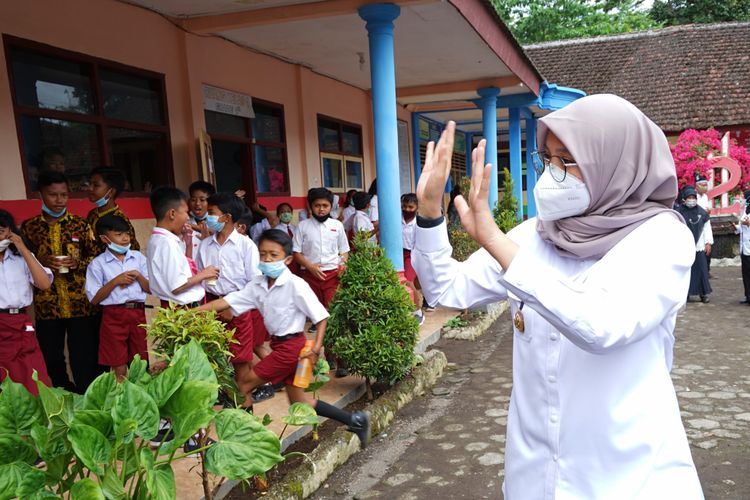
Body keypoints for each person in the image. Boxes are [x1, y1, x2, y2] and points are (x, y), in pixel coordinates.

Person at [412, 96, 703, 499]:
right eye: (548, 158)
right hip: (533, 477)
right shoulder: (537, 234)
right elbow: (447, 288)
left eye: (568, 160)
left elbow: (601, 324)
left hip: (628, 479)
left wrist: (496, 241)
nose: (553, 174)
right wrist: (429, 214)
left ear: (615, 164)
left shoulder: (661, 238)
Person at [198, 229, 370, 447]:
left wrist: (316, 348)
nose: (267, 259)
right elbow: (226, 302)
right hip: (281, 346)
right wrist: (190, 313)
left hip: (292, 348)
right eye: (263, 254)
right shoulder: (257, 284)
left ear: (288, 259)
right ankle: (355, 420)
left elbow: (321, 317)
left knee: (242, 385)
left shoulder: (295, 284)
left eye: (273, 255)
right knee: (300, 401)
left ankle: (246, 441)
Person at [21, 171, 102, 393]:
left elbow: (97, 257)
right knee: (52, 356)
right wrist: (41, 261)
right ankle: (64, 395)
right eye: (53, 195)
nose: (59, 200)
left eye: (64, 195)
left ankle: (88, 398)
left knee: (84, 356)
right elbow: (21, 262)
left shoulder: (80, 225)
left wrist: (79, 263)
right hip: (48, 305)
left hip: (81, 304)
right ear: (41, 195)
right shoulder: (29, 227)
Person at [196, 192, 274, 406]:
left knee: (241, 362)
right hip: (212, 307)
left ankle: (244, 412)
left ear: (226, 217)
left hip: (237, 309)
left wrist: (232, 306)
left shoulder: (245, 245)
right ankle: (227, 399)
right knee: (216, 360)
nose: (207, 217)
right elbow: (200, 278)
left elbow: (254, 282)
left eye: (212, 213)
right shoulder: (204, 246)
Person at [85, 215, 149, 382]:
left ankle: (141, 397)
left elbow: (150, 288)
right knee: (117, 362)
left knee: (140, 359)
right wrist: (114, 282)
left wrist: (139, 276)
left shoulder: (138, 257)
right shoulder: (98, 264)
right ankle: (121, 398)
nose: (125, 238)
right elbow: (94, 298)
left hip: (137, 313)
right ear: (105, 238)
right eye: (119, 234)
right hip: (113, 315)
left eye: (127, 233)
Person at [0, 209, 53, 394]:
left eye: (1, 231)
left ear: (10, 232)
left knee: (34, 376)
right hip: (1, 324)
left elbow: (44, 283)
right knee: (6, 381)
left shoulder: (20, 257)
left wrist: (22, 247)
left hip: (22, 322)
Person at [146, 186, 217, 309]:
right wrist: (204, 274)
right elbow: (177, 286)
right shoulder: (166, 243)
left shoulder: (161, 239)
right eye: (185, 212)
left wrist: (188, 244)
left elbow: (182, 271)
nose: (188, 217)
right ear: (172, 213)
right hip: (181, 309)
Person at [293, 188, 349, 310]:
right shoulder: (302, 226)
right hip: (310, 274)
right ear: (310, 206)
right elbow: (296, 252)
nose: (321, 209)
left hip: (333, 273)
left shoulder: (337, 225)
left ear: (331, 206)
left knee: (333, 308)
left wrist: (342, 266)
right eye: (317, 205)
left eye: (325, 205)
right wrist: (310, 267)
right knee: (315, 309)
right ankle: (317, 327)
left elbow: (344, 250)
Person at [86, 166, 140, 254]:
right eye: (90, 184)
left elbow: (132, 250)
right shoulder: (92, 214)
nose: (90, 188)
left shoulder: (120, 219)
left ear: (111, 192)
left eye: (96, 185)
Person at [676, 185, 713, 303]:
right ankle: (684, 294)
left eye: (693, 197)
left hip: (699, 246)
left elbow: (707, 228)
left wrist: (708, 242)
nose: (692, 200)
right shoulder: (678, 212)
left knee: (702, 269)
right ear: (684, 198)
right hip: (683, 247)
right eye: (689, 197)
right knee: (685, 271)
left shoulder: (702, 213)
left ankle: (703, 293)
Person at [401, 193, 424, 325]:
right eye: (404, 206)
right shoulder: (397, 219)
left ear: (416, 207)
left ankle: (418, 311)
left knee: (408, 281)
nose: (407, 210)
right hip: (399, 253)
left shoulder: (419, 222)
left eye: (410, 207)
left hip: (413, 254)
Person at [188, 181, 216, 259]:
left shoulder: (217, 222)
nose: (197, 203)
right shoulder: (185, 221)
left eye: (202, 200)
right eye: (193, 200)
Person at [695, 175, 713, 277]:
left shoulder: (705, 197)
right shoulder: (693, 197)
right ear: (697, 186)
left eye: (706, 185)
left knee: (708, 250)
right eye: (703, 185)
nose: (705, 187)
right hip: (697, 225)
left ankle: (707, 271)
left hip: (706, 224)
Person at [736, 189, 750, 305]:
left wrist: (749, 224)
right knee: (746, 273)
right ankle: (748, 295)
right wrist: (736, 228)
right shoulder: (745, 210)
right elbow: (742, 229)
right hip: (744, 247)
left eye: (744, 198)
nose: (743, 200)